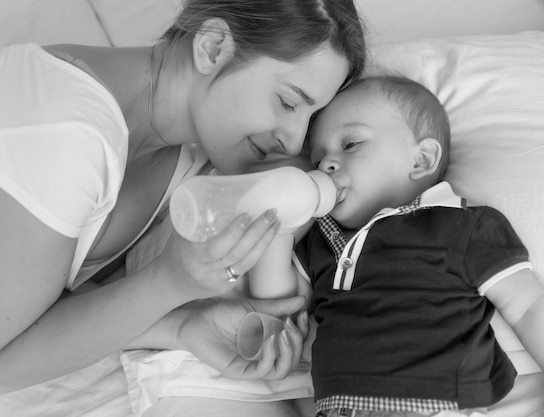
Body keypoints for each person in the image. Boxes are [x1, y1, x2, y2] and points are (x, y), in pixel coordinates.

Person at [0, 0, 366, 395]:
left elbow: (45, 308)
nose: (294, 138)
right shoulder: (61, 131)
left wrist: (183, 324)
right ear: (212, 47)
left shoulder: (191, 152)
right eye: (288, 102)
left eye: (311, 117)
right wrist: (170, 282)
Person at [293, 75, 544, 417]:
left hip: (433, 404)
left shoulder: (459, 226)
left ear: (421, 160)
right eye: (317, 157)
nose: (326, 164)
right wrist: (285, 226)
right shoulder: (319, 239)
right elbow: (286, 311)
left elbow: (529, 308)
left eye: (350, 144)